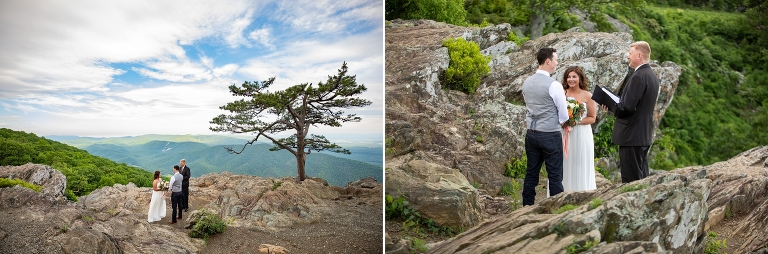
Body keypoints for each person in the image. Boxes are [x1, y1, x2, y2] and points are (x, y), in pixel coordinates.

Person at [603, 41, 660, 183]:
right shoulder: (651, 75)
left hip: (632, 135)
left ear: (639, 55)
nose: (628, 57)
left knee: (631, 181)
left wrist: (610, 105)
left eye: (630, 53)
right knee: (641, 178)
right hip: (642, 134)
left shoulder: (638, 76)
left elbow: (627, 107)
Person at [521, 47, 569, 206]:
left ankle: (526, 207)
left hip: (531, 133)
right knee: (555, 175)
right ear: (548, 61)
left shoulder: (527, 82)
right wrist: (565, 122)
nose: (556, 63)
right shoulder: (554, 85)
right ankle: (556, 210)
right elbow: (563, 113)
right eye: (555, 60)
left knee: (531, 173)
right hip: (549, 134)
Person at [561, 66, 597, 191]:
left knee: (580, 162)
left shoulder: (588, 96)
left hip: (582, 134)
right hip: (565, 133)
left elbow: (592, 118)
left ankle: (583, 191)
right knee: (565, 163)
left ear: (580, 78)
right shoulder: (562, 93)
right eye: (569, 77)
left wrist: (575, 121)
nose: (571, 79)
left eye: (574, 77)